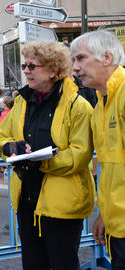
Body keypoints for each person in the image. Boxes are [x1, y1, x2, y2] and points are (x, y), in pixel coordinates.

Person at [0, 41, 95, 270]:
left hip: (62, 203)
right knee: (32, 264)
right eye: (24, 65)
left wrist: (43, 161)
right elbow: (0, 139)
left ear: (53, 70)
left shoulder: (78, 106)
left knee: (63, 264)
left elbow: (80, 154)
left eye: (33, 66)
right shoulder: (21, 101)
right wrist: (11, 148)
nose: (26, 70)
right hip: (27, 198)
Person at [71, 30, 125, 269]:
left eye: (81, 58)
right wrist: (105, 214)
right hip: (117, 225)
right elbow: (112, 170)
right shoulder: (99, 107)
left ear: (106, 57)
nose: (74, 68)